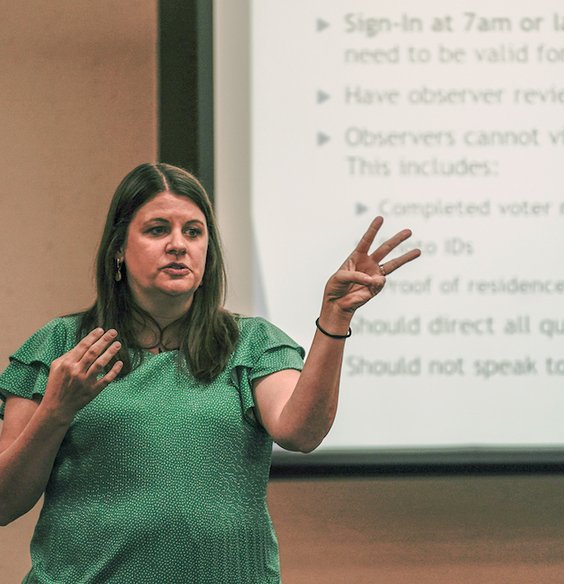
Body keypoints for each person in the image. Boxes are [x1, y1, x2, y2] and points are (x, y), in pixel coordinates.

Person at [0, 162, 419, 583]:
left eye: (193, 232)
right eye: (157, 230)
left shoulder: (251, 343)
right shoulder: (60, 347)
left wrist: (335, 316)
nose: (178, 245)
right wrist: (55, 410)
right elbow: (4, 502)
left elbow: (301, 432)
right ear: (118, 250)